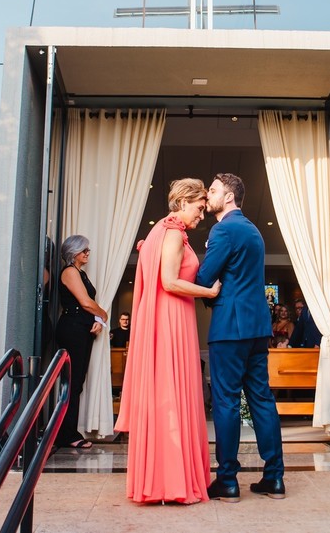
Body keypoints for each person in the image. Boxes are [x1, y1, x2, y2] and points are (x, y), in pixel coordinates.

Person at [115, 178, 220, 504]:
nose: (202, 216)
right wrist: (210, 291)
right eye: (200, 208)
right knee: (172, 396)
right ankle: (173, 482)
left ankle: (161, 479)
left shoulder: (162, 230)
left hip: (167, 319)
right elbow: (170, 281)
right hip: (171, 319)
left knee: (165, 395)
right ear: (185, 201)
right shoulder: (172, 233)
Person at [196, 172, 286, 502]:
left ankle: (228, 480)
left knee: (226, 402)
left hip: (229, 329)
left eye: (214, 190)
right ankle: (274, 477)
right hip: (258, 328)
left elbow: (206, 278)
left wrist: (205, 289)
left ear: (230, 197)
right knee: (261, 399)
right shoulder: (253, 231)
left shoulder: (223, 230)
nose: (209, 194)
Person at [55, 234, 107, 450]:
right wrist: (103, 315)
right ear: (73, 252)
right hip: (72, 329)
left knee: (76, 383)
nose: (87, 254)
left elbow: (87, 305)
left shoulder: (80, 273)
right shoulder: (69, 272)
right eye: (84, 250)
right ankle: (66, 434)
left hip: (81, 329)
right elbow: (85, 302)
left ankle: (68, 432)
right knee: (72, 382)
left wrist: (95, 320)